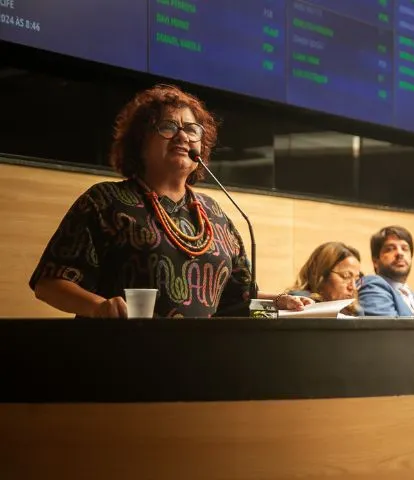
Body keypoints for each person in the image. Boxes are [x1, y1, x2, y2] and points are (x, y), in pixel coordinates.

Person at [29, 84, 310, 318]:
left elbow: (238, 297)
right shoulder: (104, 201)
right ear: (140, 141)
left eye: (192, 129)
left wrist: (280, 302)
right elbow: (49, 283)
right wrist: (99, 307)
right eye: (167, 126)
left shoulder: (215, 213)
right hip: (121, 361)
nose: (182, 136)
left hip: (202, 365)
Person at [358, 226, 414, 317]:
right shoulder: (372, 286)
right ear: (375, 261)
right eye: (390, 249)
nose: (400, 253)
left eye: (405, 249)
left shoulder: (408, 292)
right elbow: (390, 330)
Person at [289, 242, 362, 316]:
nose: (353, 287)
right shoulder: (298, 303)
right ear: (320, 274)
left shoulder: (356, 312)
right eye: (345, 276)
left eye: (356, 280)